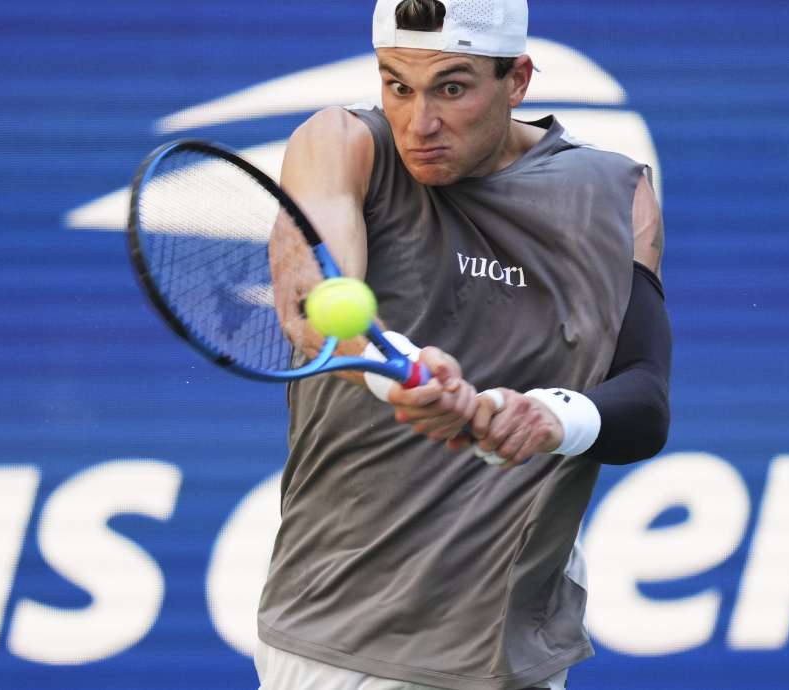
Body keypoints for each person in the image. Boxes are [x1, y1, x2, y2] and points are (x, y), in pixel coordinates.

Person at [258, 1, 671, 688]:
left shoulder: (616, 194)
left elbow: (646, 400)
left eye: (452, 88)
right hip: (341, 643)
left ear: (518, 81)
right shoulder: (340, 144)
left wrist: (550, 418)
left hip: (519, 654)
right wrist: (403, 376)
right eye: (397, 85)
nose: (419, 124)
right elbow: (314, 313)